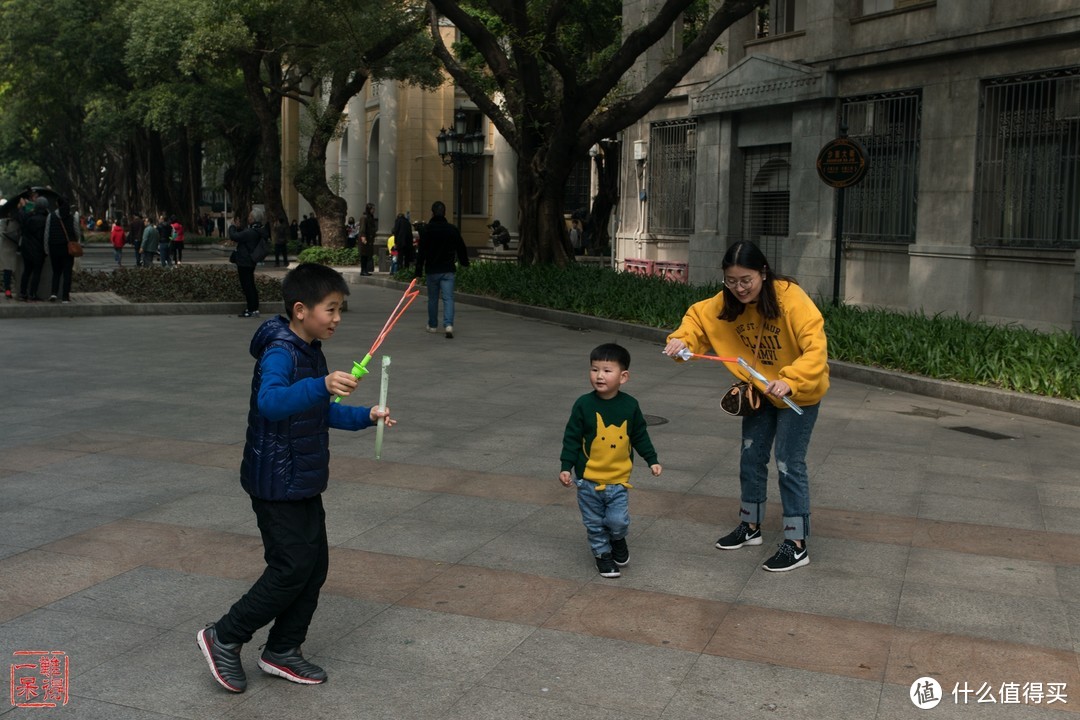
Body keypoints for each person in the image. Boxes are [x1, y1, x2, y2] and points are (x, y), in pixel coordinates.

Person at [196, 262, 395, 693]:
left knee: (314, 566)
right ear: (301, 309)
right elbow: (270, 402)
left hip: (302, 477)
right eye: (332, 309)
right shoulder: (280, 351)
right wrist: (322, 384)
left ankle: (282, 650)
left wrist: (366, 416)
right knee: (290, 568)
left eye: (341, 309)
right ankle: (224, 636)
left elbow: (318, 412)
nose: (338, 318)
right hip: (275, 479)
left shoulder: (310, 350)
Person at [662, 241, 829, 572]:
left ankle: (797, 544)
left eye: (746, 280)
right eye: (731, 280)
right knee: (751, 456)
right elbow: (696, 320)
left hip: (797, 394)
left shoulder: (791, 299)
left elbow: (815, 348)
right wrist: (681, 340)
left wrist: (791, 379)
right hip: (760, 393)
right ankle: (750, 527)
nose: (738, 288)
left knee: (787, 463)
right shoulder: (724, 302)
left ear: (762, 273)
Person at [559, 343, 662, 578]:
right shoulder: (583, 404)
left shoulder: (630, 405)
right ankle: (602, 555)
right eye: (594, 370)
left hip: (617, 481)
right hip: (588, 481)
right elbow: (571, 438)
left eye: (607, 370)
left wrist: (652, 459)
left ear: (623, 376)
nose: (599, 376)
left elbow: (639, 435)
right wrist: (566, 467)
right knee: (594, 523)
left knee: (618, 521)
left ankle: (617, 539)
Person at [414, 201, 469, 339]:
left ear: (432, 213)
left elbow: (421, 253)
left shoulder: (427, 230)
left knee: (432, 299)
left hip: (432, 270)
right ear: (444, 213)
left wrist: (418, 271)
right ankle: (448, 325)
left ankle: (432, 325)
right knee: (448, 298)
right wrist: (464, 263)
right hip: (448, 270)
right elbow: (461, 247)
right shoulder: (452, 229)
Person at [231, 208, 269, 318]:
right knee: (250, 284)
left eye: (250, 217)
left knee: (247, 285)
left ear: (253, 218)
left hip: (245, 261)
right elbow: (243, 235)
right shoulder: (257, 230)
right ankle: (254, 308)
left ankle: (252, 309)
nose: (248, 218)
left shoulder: (252, 231)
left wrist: (232, 226)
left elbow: (235, 236)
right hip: (250, 261)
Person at [45, 198, 78, 303]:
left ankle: (54, 293)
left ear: (57, 205)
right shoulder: (72, 217)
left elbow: (47, 233)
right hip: (68, 249)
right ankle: (65, 297)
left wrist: (46, 249)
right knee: (67, 273)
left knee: (56, 272)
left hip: (54, 248)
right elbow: (77, 232)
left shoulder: (51, 216)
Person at [18, 197, 49, 301]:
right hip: (39, 250)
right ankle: (33, 293)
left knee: (26, 271)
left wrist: (23, 207)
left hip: (27, 249)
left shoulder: (30, 217)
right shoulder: (47, 220)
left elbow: (22, 222)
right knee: (37, 273)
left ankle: (23, 292)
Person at [1, 213, 21, 299]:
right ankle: (8, 290)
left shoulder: (20, 220)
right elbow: (1, 233)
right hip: (6, 249)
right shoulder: (4, 222)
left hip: (16, 249)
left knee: (17, 271)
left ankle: (17, 290)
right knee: (7, 271)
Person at [359, 203, 377, 276]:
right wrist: (363, 237)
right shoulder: (364, 217)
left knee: (367, 255)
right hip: (365, 239)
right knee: (364, 255)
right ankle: (363, 270)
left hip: (370, 239)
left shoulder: (371, 217)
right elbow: (362, 228)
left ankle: (366, 270)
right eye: (372, 209)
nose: (373, 210)